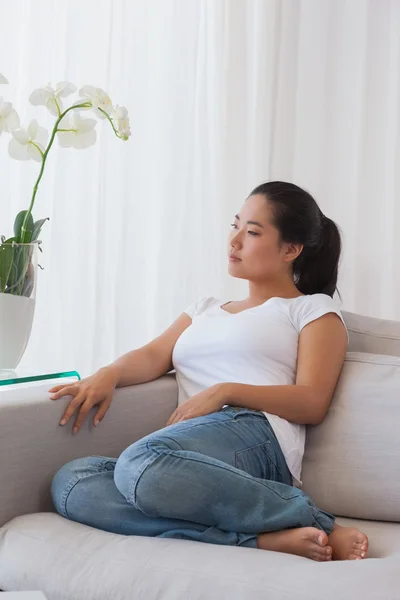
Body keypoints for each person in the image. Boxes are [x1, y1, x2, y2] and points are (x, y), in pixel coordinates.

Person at [50, 181, 368, 562]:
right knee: (73, 483)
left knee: (141, 463)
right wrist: (109, 373)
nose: (234, 241)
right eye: (235, 226)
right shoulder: (205, 307)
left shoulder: (311, 311)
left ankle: (317, 520)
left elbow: (312, 401)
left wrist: (225, 391)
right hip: (188, 445)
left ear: (291, 249)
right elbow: (154, 355)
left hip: (256, 437)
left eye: (251, 232)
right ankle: (258, 539)